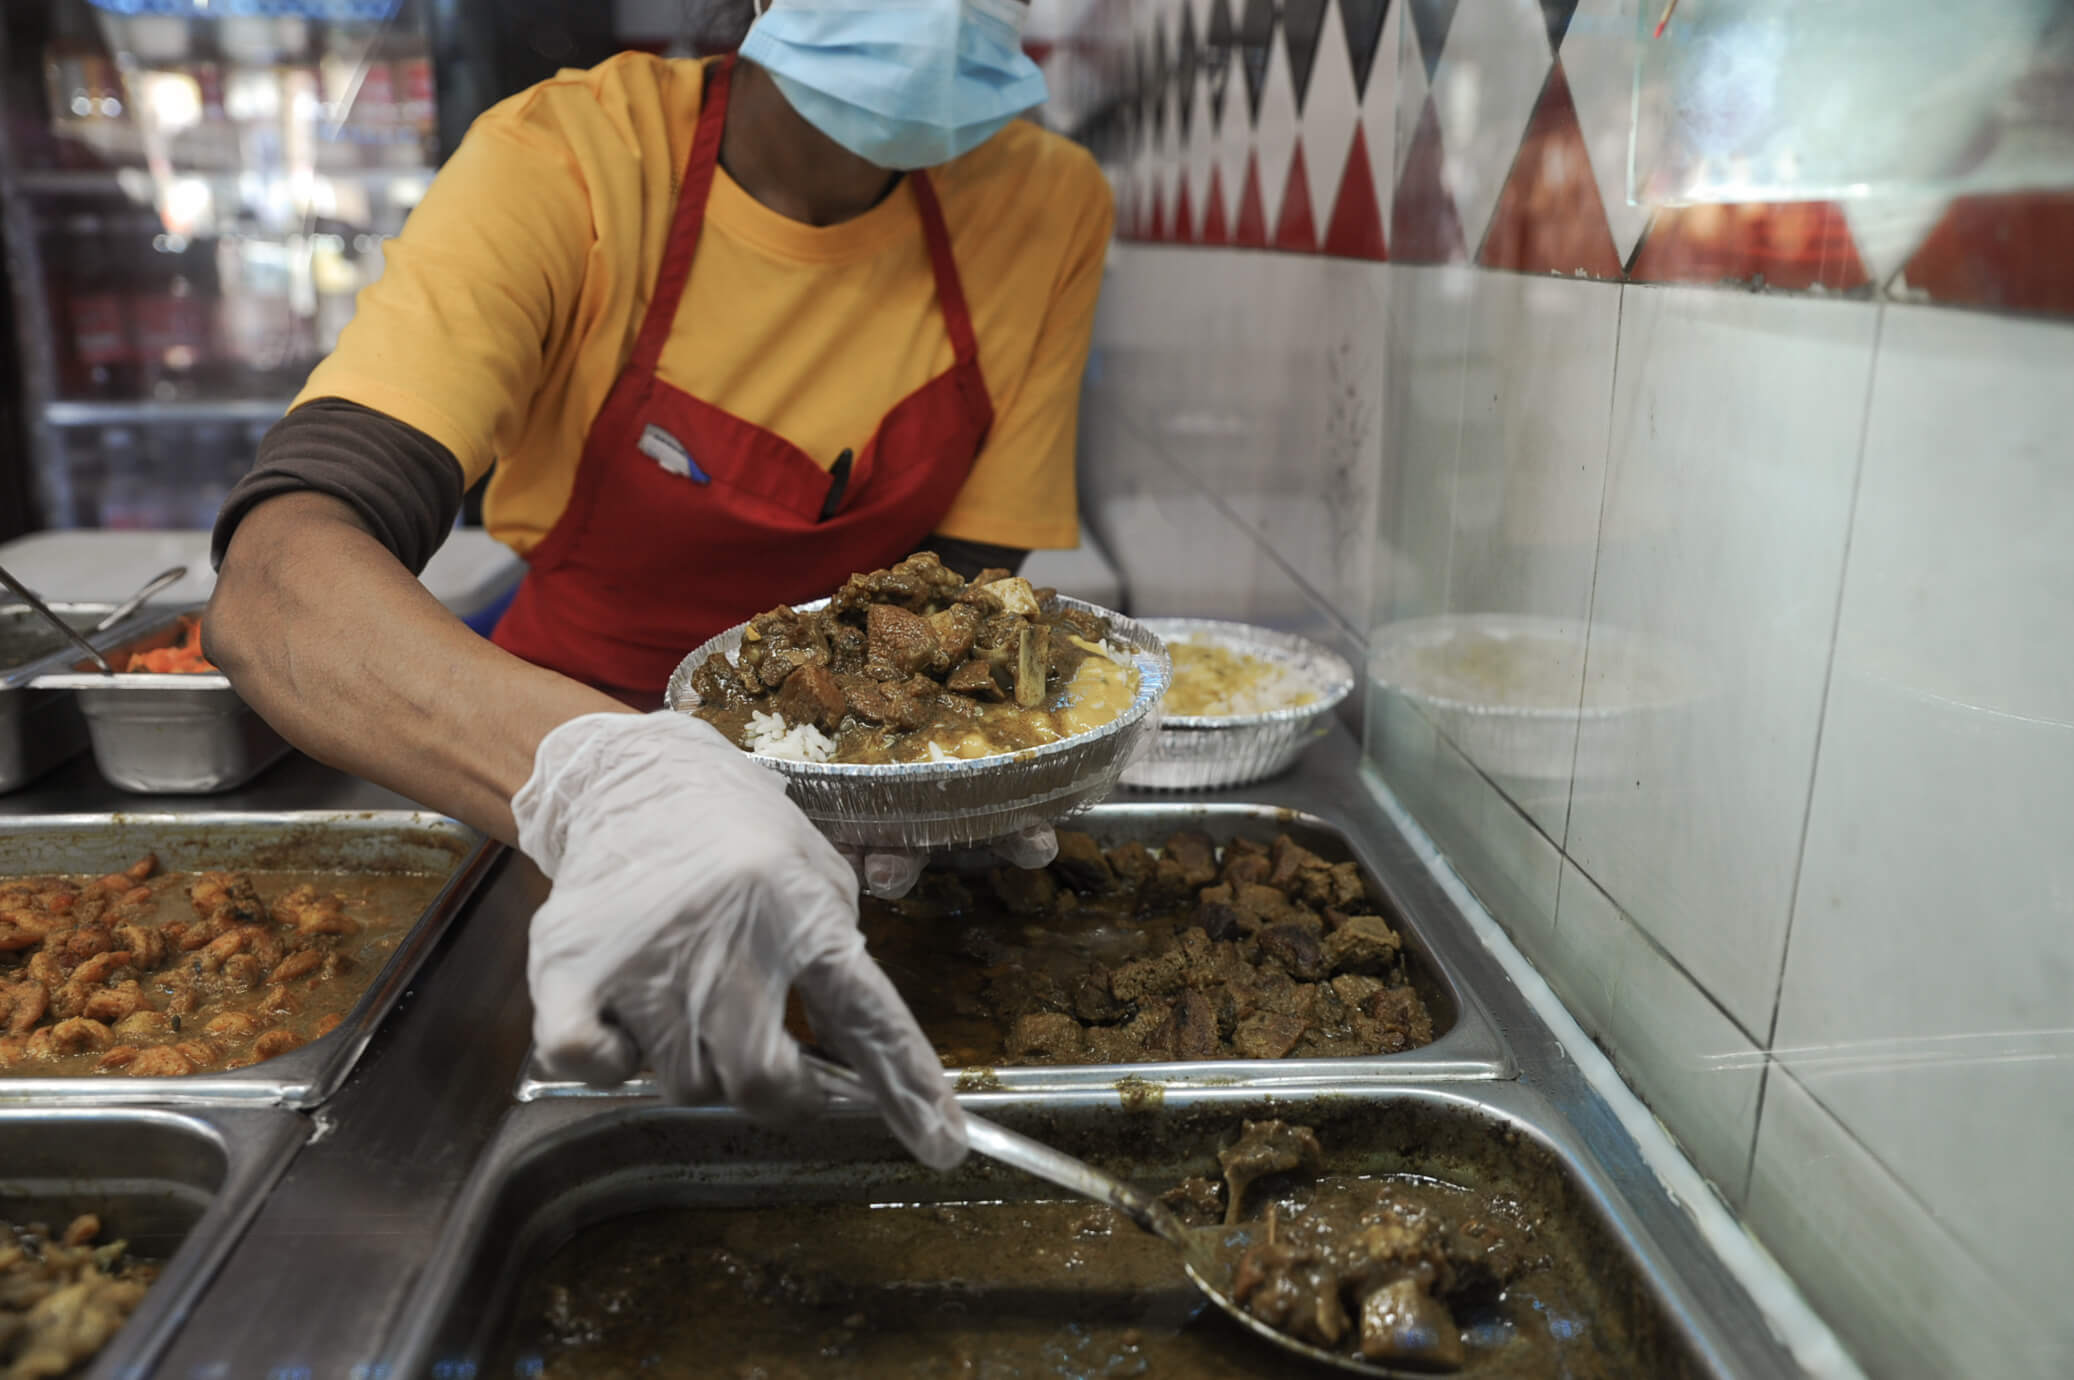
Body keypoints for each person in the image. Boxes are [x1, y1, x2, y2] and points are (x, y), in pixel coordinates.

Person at [203, 0, 1113, 1173]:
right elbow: (274, 586)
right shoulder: (570, 162)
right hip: (539, 789)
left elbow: (966, 606)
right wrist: (602, 780)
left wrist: (949, 781)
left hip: (853, 822)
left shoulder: (1046, 203)